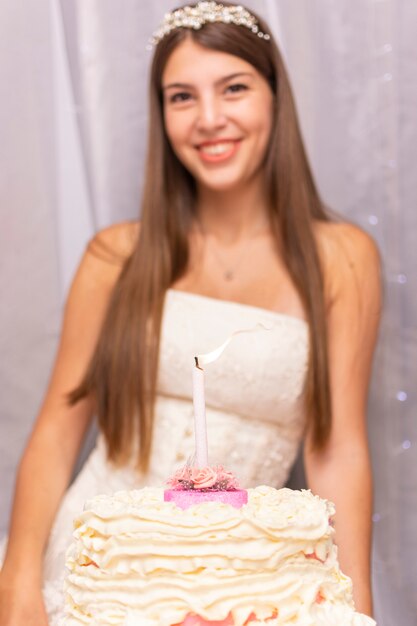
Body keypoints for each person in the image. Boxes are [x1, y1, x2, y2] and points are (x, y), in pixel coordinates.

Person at [0, 2, 381, 624]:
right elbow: (54, 435)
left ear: (275, 98)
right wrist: (17, 588)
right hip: (91, 577)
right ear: (162, 114)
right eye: (181, 97)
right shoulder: (115, 256)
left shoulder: (343, 258)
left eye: (233, 88)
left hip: (241, 588)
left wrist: (354, 610)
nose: (209, 119)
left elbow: (337, 450)